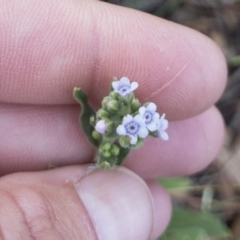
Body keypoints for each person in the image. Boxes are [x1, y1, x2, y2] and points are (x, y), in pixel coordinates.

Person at [0, 0, 227, 239]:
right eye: (134, 124)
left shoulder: (133, 122)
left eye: (141, 121)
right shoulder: (121, 118)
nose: (134, 124)